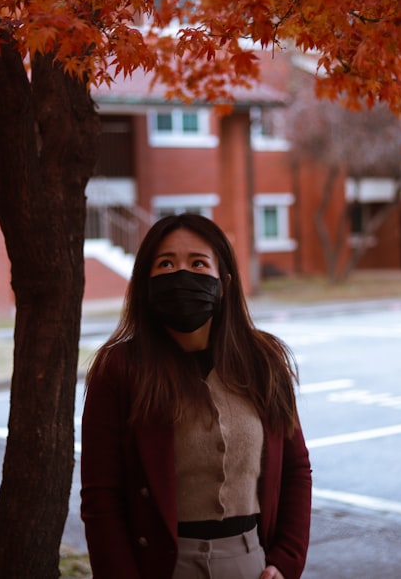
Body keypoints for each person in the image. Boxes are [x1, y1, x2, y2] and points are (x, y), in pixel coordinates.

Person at [80, 213, 312, 579]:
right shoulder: (119, 369)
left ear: (225, 282)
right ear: (145, 281)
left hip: (249, 562)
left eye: (198, 263)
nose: (181, 275)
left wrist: (285, 561)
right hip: (161, 566)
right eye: (166, 263)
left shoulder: (263, 363)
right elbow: (101, 498)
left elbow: (296, 470)